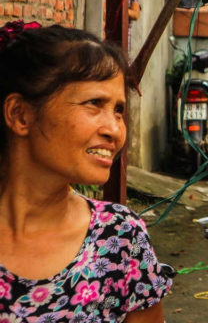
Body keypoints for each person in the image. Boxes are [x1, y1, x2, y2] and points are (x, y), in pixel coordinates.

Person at [0, 20, 173, 322]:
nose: (115, 130)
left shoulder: (119, 239)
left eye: (118, 110)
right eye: (95, 103)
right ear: (20, 114)